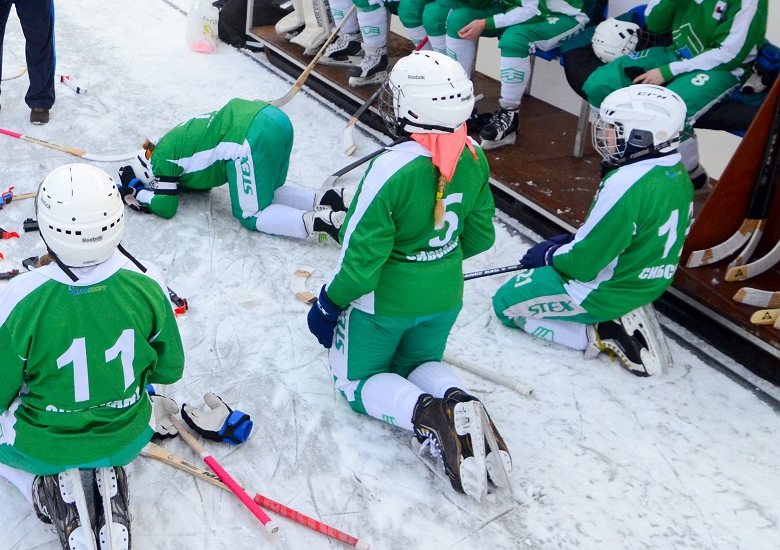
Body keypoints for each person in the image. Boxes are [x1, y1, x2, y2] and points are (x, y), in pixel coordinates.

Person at [304, 52, 510, 501]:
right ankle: (459, 401)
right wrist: (436, 257)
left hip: (383, 305)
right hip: (444, 297)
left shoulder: (390, 167)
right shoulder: (473, 155)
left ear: (415, 108)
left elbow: (360, 262)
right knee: (416, 365)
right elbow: (479, 235)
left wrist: (328, 302)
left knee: (354, 383)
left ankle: (429, 415)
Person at [0, 163, 185, 550]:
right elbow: (170, 367)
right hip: (128, 436)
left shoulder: (23, 295)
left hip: (44, 443)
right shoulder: (148, 281)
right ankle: (108, 472)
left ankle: (42, 488)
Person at [493, 85, 689, 377]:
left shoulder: (625, 183)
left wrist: (550, 255)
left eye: (614, 128)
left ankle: (601, 332)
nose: (606, 135)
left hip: (606, 290)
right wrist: (575, 242)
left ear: (641, 136)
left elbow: (583, 265)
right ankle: (615, 314)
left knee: (505, 304)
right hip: (650, 281)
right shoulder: (675, 169)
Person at [583, 0, 768, 185]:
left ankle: (690, 174)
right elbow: (656, 24)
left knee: (669, 109)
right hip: (675, 53)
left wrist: (668, 72)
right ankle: (624, 153)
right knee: (600, 84)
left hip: (720, 69)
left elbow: (730, 54)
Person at [445, 0, 587, 149]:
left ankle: (509, 115)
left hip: (562, 16)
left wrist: (487, 22)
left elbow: (533, 10)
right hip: (523, 10)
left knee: (514, 38)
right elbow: (480, 2)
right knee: (459, 19)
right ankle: (461, 100)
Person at [116, 98, 332, 239]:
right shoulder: (169, 143)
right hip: (272, 117)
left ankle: (324, 224)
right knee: (267, 194)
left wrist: (140, 193)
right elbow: (200, 184)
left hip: (250, 137)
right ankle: (332, 200)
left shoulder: (160, 161)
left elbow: (165, 207)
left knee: (251, 214)